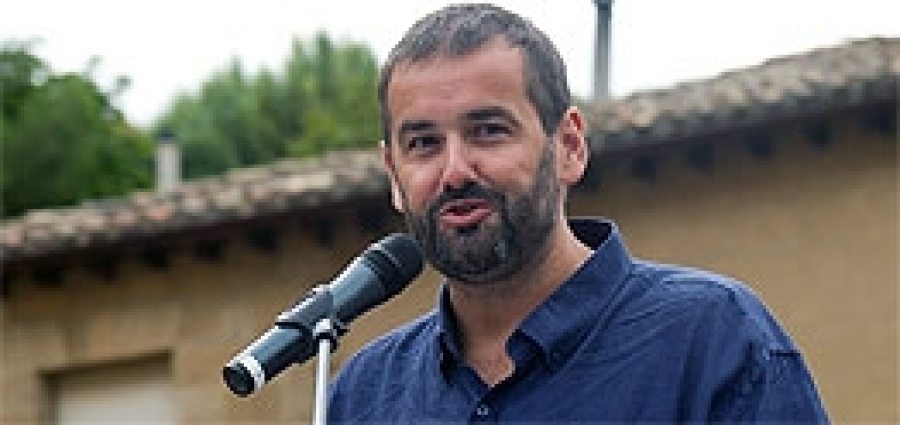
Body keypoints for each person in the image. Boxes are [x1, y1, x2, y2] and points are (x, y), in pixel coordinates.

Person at [328, 3, 828, 422]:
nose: (455, 170)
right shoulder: (363, 397)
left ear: (568, 146)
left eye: (489, 131)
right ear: (393, 174)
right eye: (424, 143)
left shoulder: (713, 339)